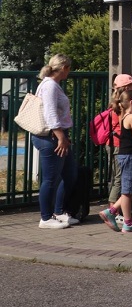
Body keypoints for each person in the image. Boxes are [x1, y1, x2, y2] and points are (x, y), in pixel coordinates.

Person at [31, 54, 79, 229]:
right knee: (51, 179)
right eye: (69, 68)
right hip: (51, 137)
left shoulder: (51, 84)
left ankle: (58, 212)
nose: (69, 72)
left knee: (69, 174)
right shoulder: (50, 86)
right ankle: (45, 218)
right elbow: (50, 113)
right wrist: (60, 137)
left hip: (58, 135)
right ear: (64, 68)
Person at [99, 89, 132, 232]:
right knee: (127, 191)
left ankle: (112, 211)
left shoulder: (124, 116)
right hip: (130, 156)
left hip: (127, 155)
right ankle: (128, 222)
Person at [107, 74, 132, 207]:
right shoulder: (121, 107)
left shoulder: (116, 103)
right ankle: (112, 210)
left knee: (120, 179)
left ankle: (116, 210)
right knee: (120, 180)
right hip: (120, 145)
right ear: (126, 88)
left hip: (118, 144)